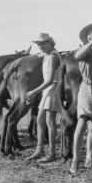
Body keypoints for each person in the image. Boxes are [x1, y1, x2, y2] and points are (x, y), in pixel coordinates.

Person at [69, 23, 92, 176]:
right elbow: (77, 56)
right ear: (88, 36)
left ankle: (89, 157)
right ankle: (76, 159)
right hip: (86, 88)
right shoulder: (83, 49)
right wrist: (91, 44)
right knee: (82, 121)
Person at [25, 33, 61, 163]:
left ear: (50, 43)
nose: (40, 47)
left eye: (42, 44)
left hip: (53, 89)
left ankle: (52, 153)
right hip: (47, 90)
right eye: (38, 44)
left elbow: (50, 80)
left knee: (50, 122)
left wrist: (34, 91)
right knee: (40, 120)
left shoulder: (52, 57)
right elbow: (37, 55)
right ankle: (39, 150)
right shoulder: (47, 54)